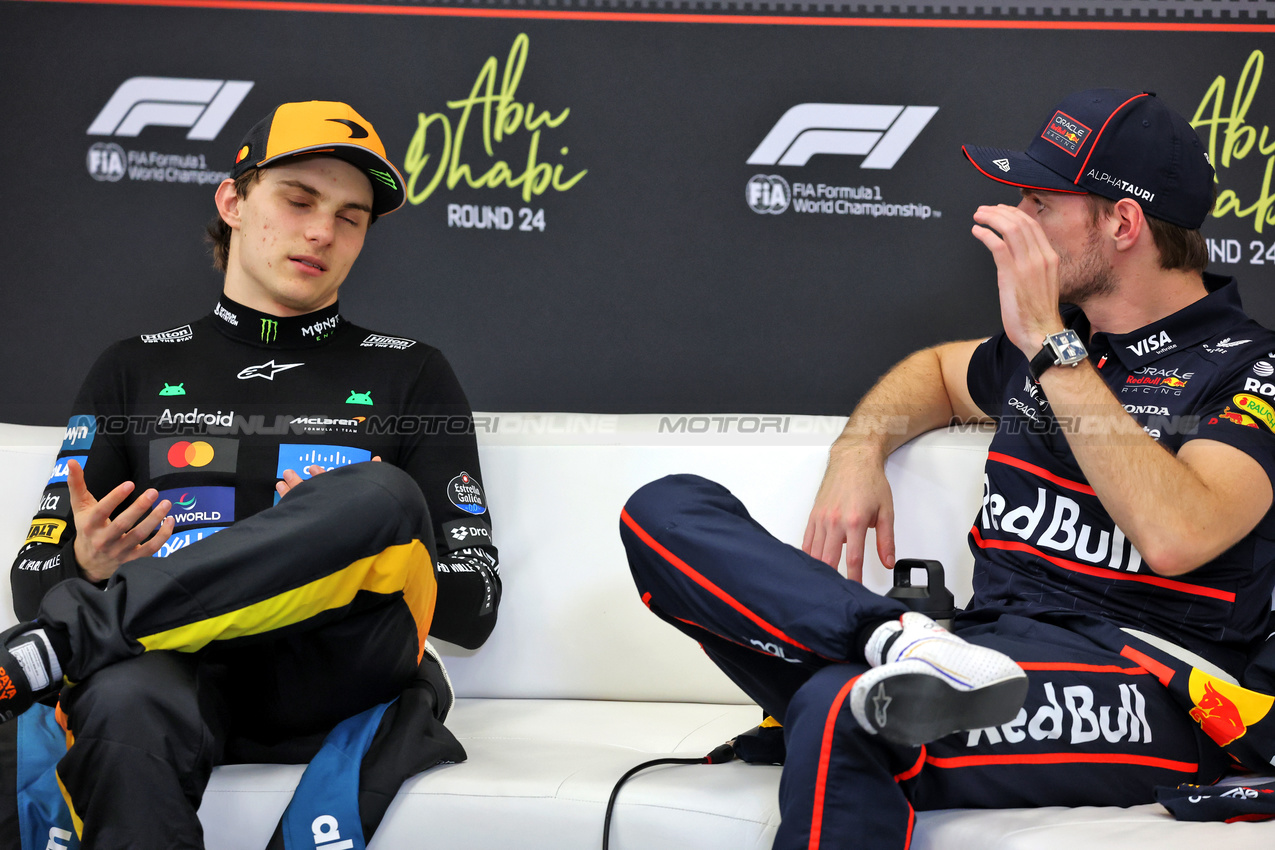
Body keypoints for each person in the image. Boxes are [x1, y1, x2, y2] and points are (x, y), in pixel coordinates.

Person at [621, 88, 1275, 849]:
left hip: (1155, 686)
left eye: (1039, 203)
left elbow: (1177, 534)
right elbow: (935, 373)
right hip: (978, 651)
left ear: (1120, 222)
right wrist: (858, 450)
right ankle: (900, 643)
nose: (1011, 223)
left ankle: (904, 660)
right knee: (663, 511)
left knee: (846, 709)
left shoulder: (1247, 368)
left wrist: (1045, 341)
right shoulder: (1054, 349)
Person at [0, 101, 501, 848]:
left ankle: (72, 640)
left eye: (351, 217)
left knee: (377, 495)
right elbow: (34, 582)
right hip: (171, 665)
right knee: (124, 700)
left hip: (335, 661)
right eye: (298, 200)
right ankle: (87, 634)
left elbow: (473, 604)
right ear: (232, 200)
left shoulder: (412, 370)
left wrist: (341, 538)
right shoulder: (133, 366)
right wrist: (86, 562)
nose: (322, 233)